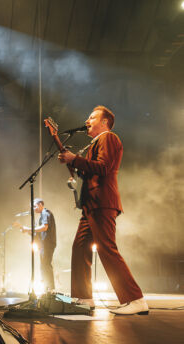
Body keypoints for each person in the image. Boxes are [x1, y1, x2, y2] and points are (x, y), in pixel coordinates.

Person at [58, 105, 148, 315]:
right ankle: (84, 298)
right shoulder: (96, 142)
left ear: (104, 122)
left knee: (107, 248)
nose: (87, 120)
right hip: (91, 204)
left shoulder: (109, 137)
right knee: (80, 248)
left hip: (102, 202)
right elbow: (92, 170)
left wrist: (75, 159)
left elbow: (104, 168)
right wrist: (75, 165)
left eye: (92, 117)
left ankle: (136, 299)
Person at [14, 198, 56, 291]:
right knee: (43, 266)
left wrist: (29, 229)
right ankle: (47, 288)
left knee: (46, 265)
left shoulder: (45, 213)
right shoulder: (42, 216)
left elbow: (45, 227)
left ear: (41, 204)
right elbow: (38, 233)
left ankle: (51, 289)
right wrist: (26, 230)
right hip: (44, 244)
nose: (33, 209)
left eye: (34, 206)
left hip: (47, 243)